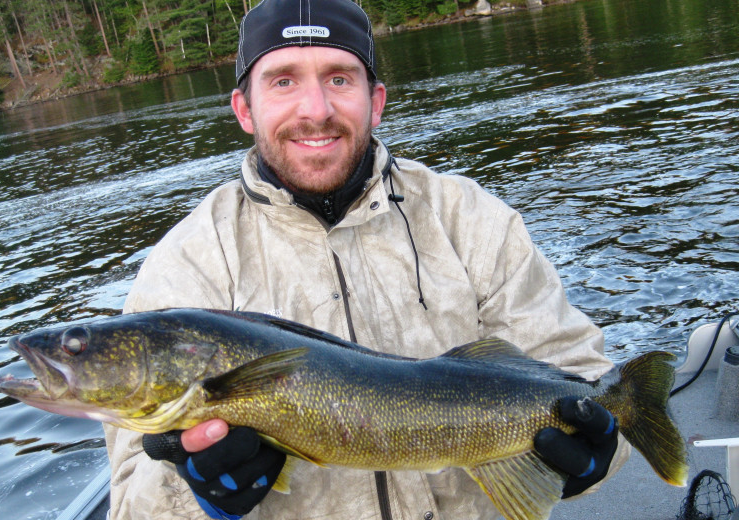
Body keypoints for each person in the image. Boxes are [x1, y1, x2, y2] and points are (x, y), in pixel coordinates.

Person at [104, 0, 629, 518]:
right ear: (245, 109)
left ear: (375, 101)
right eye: (283, 81)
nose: (315, 109)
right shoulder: (187, 262)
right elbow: (132, 505)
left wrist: (598, 453)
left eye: (339, 79)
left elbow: (583, 377)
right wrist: (195, 496)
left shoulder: (470, 218)